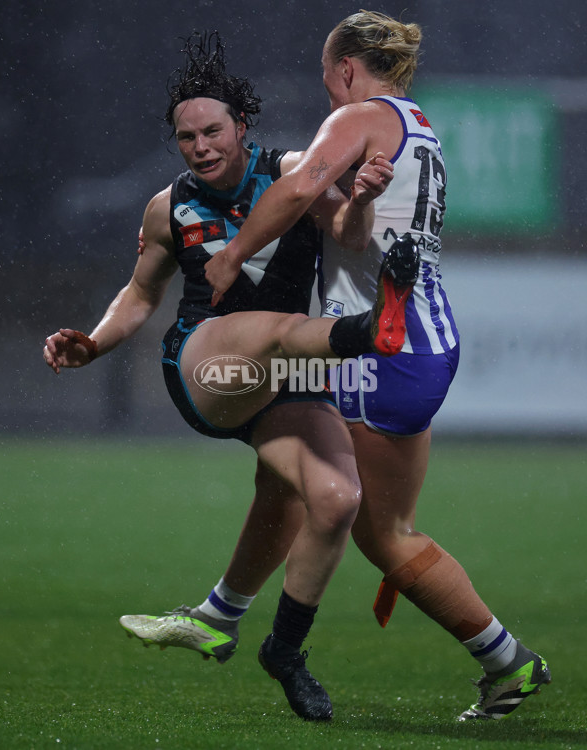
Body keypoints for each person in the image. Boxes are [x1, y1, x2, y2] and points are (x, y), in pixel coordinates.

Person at [121, 12, 551, 723]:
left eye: (327, 77)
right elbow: (354, 224)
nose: (327, 92)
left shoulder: (361, 117)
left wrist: (233, 253)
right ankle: (222, 615)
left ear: (346, 68)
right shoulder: (418, 125)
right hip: (427, 336)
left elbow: (294, 190)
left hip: (377, 346)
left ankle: (503, 660)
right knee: (317, 489)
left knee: (362, 520)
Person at [42, 31, 411, 722]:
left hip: (288, 372)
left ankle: (279, 647)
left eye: (212, 131)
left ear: (242, 127)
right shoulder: (166, 206)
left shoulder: (298, 171)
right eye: (186, 137)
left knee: (334, 500)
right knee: (270, 329)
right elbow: (142, 296)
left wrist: (360, 195)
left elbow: (355, 239)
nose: (200, 147)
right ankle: (371, 332)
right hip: (205, 364)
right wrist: (93, 343)